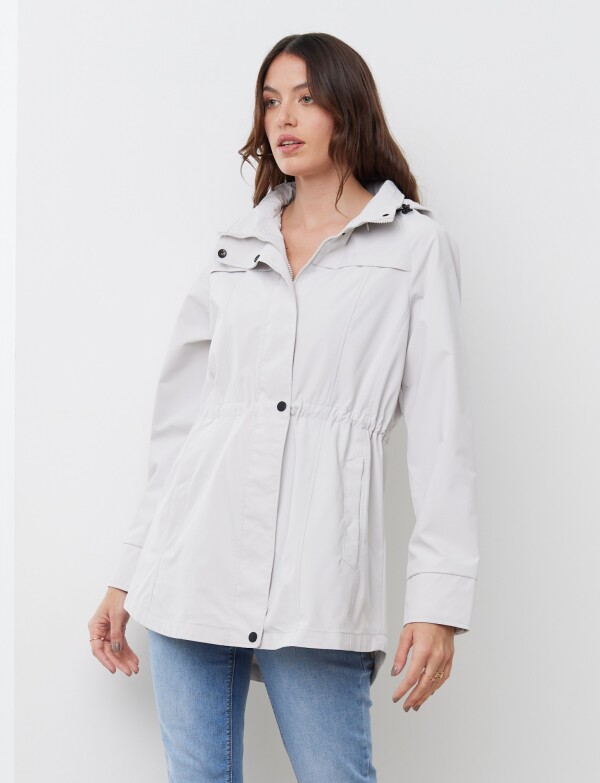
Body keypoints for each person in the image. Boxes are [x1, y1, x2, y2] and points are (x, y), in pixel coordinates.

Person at [88, 32, 479, 783]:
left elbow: (443, 438)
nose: (283, 118)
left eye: (306, 98)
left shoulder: (413, 248)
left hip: (316, 576)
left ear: (348, 110)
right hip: (193, 566)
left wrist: (438, 602)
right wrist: (127, 572)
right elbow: (180, 432)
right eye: (271, 102)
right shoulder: (237, 247)